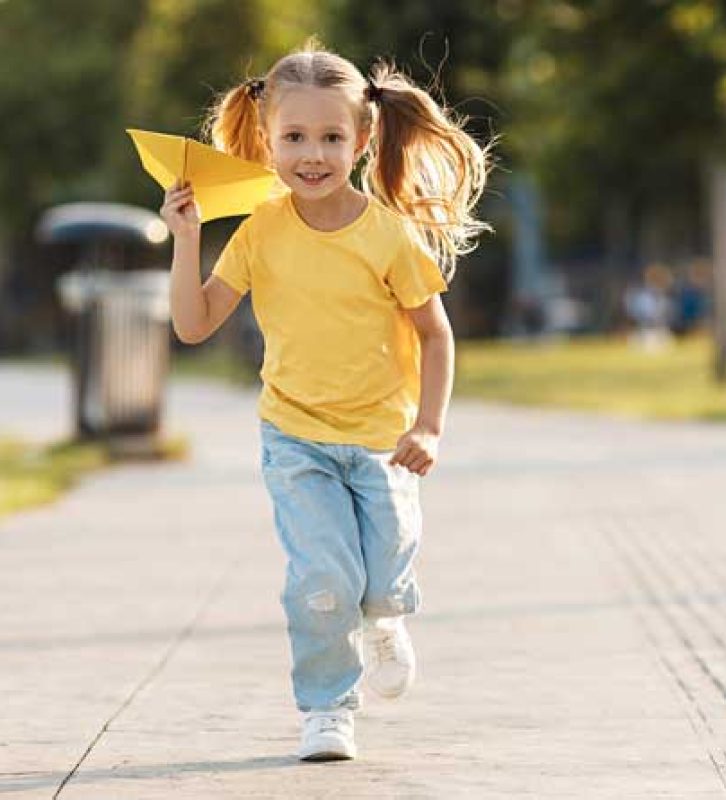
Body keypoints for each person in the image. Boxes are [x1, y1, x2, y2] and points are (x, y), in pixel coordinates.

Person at [158, 38, 491, 762]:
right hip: (295, 436)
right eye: (296, 137)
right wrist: (186, 238)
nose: (313, 154)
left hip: (382, 439)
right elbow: (192, 324)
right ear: (268, 141)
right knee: (321, 579)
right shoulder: (258, 233)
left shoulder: (389, 238)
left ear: (364, 139)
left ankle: (385, 617)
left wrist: (430, 427)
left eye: (332, 137)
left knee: (379, 575)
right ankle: (326, 707)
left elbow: (436, 337)